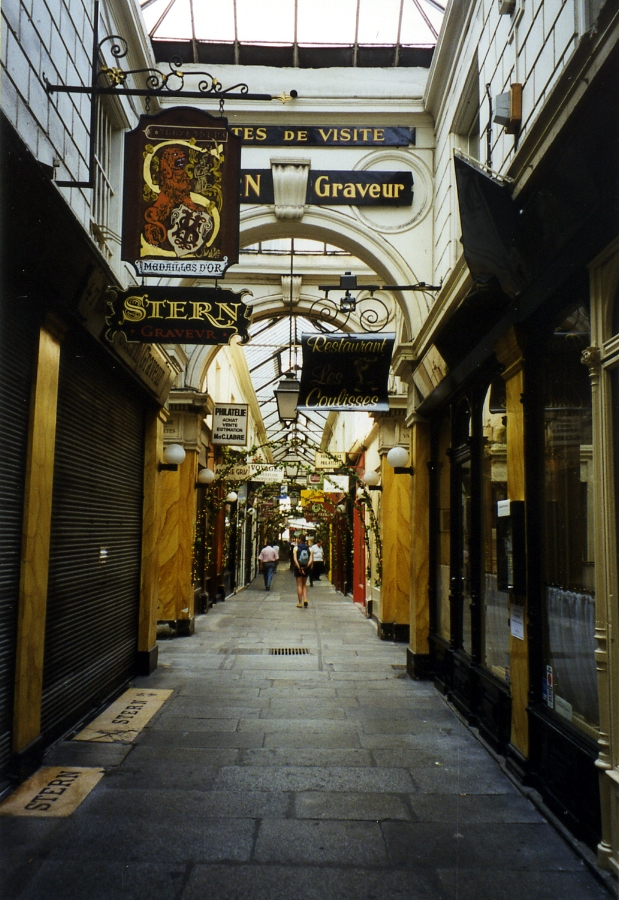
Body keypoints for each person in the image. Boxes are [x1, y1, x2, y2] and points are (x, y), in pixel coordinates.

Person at [293, 533, 313, 608]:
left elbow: (295, 559)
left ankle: (300, 603)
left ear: (299, 539)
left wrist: (299, 568)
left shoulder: (296, 548)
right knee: (304, 584)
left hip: (298, 568)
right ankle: (305, 599)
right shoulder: (310, 549)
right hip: (306, 568)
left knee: (299, 585)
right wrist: (305, 567)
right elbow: (311, 560)